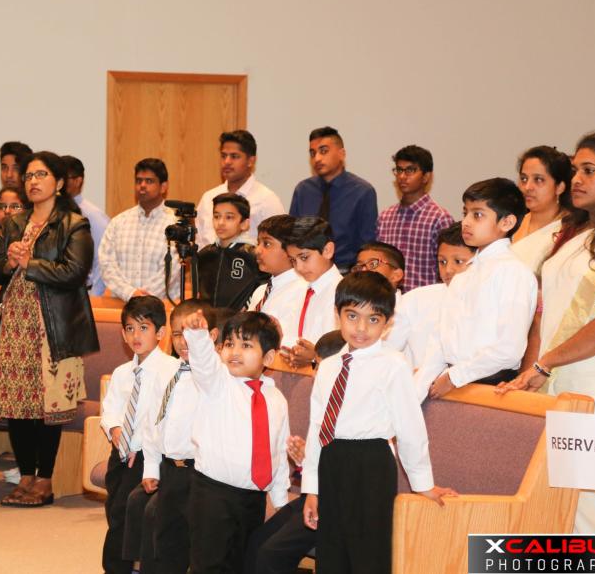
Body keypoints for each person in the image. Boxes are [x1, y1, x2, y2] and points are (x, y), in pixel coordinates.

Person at [498, 130, 595, 535]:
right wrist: (529, 375)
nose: (576, 179)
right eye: (575, 170)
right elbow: (543, 316)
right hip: (559, 385)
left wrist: (544, 365)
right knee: (556, 510)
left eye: (589, 170)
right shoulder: (575, 237)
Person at [301, 272, 455, 573]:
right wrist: (311, 488)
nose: (361, 328)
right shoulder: (329, 366)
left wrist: (422, 484)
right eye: (352, 316)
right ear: (337, 314)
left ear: (387, 323)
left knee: (369, 552)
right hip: (331, 460)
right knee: (332, 551)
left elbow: (410, 427)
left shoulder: (393, 364)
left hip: (371, 462)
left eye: (373, 319)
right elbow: (317, 428)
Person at [0, 150, 100, 507]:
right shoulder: (14, 223)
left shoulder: (74, 224)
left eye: (41, 175)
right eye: (29, 176)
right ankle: (26, 476)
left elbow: (75, 273)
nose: (33, 181)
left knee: (48, 406)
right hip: (16, 324)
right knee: (18, 403)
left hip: (53, 326)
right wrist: (8, 263)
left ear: (59, 182)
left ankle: (45, 480)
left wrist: (29, 263)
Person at [181, 310, 290, 574]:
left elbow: (278, 450)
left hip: (253, 498)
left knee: (242, 563)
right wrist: (197, 335)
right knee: (209, 564)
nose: (235, 352)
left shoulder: (276, 399)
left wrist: (280, 498)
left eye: (246, 345)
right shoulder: (218, 384)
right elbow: (204, 363)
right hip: (213, 494)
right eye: (229, 344)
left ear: (268, 357)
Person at [414, 178, 537, 402]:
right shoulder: (464, 275)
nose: (466, 222)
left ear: (507, 222)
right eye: (465, 213)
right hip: (450, 381)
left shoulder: (514, 272)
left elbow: (509, 349)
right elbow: (440, 340)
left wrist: (455, 377)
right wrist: (418, 389)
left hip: (490, 385)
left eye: (477, 215)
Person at [130, 299, 218, 574]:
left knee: (199, 544)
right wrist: (151, 467)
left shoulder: (216, 376)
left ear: (212, 335)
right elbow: (153, 423)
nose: (183, 341)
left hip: (200, 473)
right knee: (166, 541)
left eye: (192, 333)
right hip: (171, 470)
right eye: (178, 334)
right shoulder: (167, 372)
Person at [100, 295, 180, 574]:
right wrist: (114, 428)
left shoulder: (171, 370)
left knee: (127, 514)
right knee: (114, 510)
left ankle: (118, 568)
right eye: (130, 328)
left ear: (160, 332)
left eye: (144, 328)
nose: (136, 335)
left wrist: (141, 444)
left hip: (147, 455)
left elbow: (161, 415)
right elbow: (110, 409)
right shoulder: (122, 372)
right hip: (121, 453)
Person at [385, 223, 475, 369]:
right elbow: (386, 350)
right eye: (442, 262)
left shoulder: (490, 302)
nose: (448, 270)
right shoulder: (415, 300)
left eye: (458, 261)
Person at [289, 127, 377, 272]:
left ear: (342, 154)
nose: (317, 158)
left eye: (323, 151)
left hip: (346, 273)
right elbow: (293, 237)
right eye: (313, 153)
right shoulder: (303, 190)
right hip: (305, 272)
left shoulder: (362, 191)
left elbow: (367, 244)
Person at [99, 158, 180, 301]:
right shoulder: (118, 222)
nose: (142, 185)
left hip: (162, 307)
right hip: (122, 304)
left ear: (163, 186)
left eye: (149, 181)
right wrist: (130, 293)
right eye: (138, 181)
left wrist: (143, 297)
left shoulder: (176, 225)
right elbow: (106, 263)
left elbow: (174, 268)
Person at [375, 145, 454, 290]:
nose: (402, 176)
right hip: (389, 298)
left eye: (410, 170)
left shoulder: (439, 218)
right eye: (399, 170)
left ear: (426, 176)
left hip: (426, 299)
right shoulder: (385, 217)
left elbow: (447, 267)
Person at [195, 130, 285, 249]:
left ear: (251, 161)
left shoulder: (267, 200)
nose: (227, 162)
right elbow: (199, 243)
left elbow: (279, 247)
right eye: (223, 156)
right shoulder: (208, 198)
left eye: (234, 156)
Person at [282, 216, 342, 367]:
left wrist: (314, 358)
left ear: (327, 250)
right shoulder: (296, 288)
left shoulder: (343, 294)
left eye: (304, 257)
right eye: (293, 260)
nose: (299, 267)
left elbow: (344, 351)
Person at [195, 193, 266, 310]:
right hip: (207, 318)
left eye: (229, 217)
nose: (221, 222)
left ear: (244, 224)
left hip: (239, 319)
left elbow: (264, 288)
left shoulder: (253, 255)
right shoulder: (205, 254)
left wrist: (249, 308)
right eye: (216, 216)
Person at [245, 215, 307, 349]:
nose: (257, 250)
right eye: (258, 243)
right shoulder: (261, 291)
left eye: (267, 244)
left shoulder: (303, 291)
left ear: (291, 249)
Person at [511, 145, 573, 274]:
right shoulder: (511, 223)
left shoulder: (571, 231)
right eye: (524, 179)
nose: (528, 187)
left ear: (559, 187)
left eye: (538, 180)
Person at [62, 154, 109, 296]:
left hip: (84, 294)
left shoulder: (93, 215)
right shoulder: (49, 212)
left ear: (78, 181)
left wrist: (95, 297)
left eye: (64, 178)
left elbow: (102, 260)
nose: (59, 183)